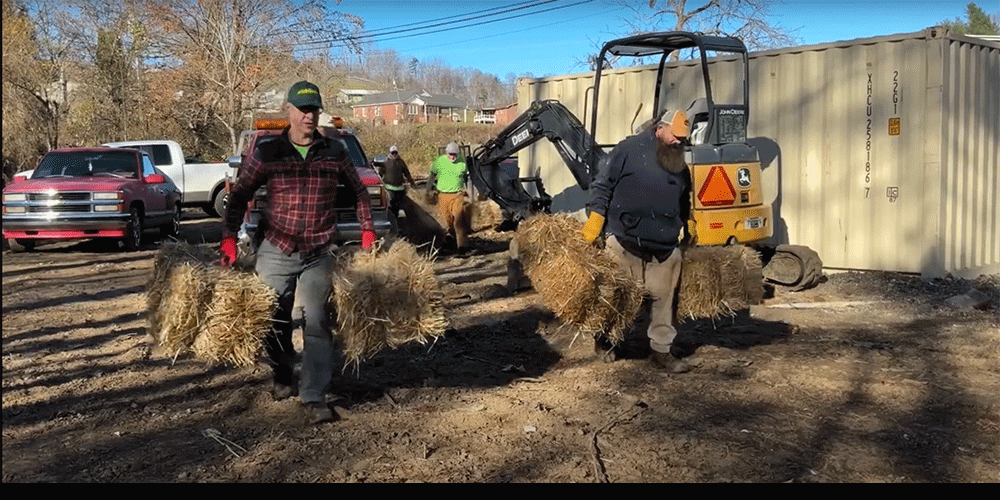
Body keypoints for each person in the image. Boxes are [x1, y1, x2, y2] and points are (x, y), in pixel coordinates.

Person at [219, 80, 376, 424]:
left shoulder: (334, 152)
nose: (309, 115)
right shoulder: (269, 152)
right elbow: (241, 193)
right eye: (303, 109)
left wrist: (367, 231)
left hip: (319, 249)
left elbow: (361, 193)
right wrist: (229, 238)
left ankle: (313, 395)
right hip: (277, 247)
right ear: (288, 111)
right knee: (272, 320)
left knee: (318, 322)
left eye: (314, 109)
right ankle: (282, 367)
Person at [581, 109, 694, 374]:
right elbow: (603, 185)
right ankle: (606, 340)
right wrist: (597, 217)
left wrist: (688, 221)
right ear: (660, 129)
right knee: (616, 298)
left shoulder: (679, 162)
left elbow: (684, 197)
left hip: (664, 247)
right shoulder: (628, 150)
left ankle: (661, 351)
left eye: (683, 138)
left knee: (664, 302)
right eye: (675, 136)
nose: (679, 142)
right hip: (625, 241)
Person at [428, 142, 472, 255]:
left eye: (455, 154)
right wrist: (428, 190)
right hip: (443, 195)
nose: (452, 156)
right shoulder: (439, 161)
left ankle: (461, 248)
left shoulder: (462, 162)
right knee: (447, 221)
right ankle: (452, 240)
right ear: (447, 153)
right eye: (450, 154)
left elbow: (468, 178)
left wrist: (470, 193)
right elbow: (432, 176)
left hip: (458, 194)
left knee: (459, 220)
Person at [380, 145, 416, 220]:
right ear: (390, 153)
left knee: (398, 205)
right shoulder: (385, 163)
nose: (394, 154)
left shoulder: (401, 162)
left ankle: (396, 219)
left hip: (399, 188)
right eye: (393, 153)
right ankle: (392, 219)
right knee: (391, 205)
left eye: (395, 153)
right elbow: (380, 174)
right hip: (389, 187)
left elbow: (407, 173)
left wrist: (412, 182)